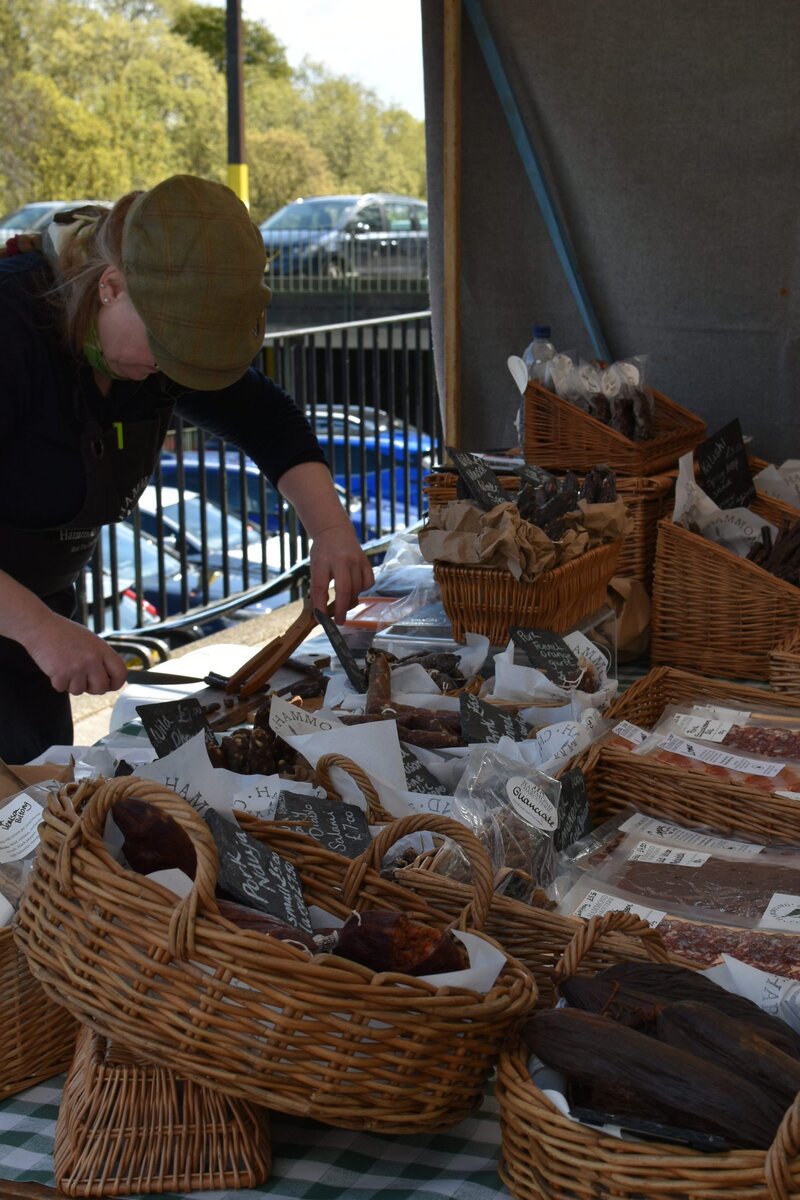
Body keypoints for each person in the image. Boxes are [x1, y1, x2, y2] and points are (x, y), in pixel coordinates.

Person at [0, 174, 373, 763]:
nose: (172, 371)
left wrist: (331, 530)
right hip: (23, 621)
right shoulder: (12, 324)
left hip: (34, 634)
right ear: (111, 287)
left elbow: (266, 419)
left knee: (35, 815)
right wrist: (39, 630)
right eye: (166, 349)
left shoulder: (152, 352)